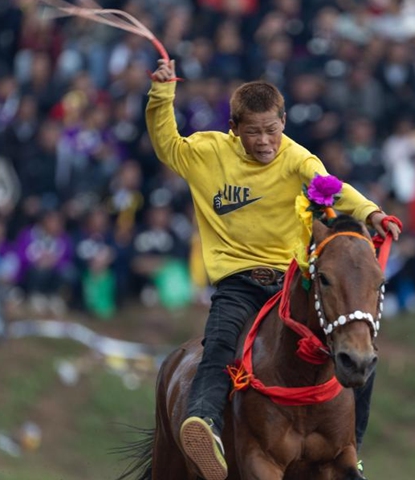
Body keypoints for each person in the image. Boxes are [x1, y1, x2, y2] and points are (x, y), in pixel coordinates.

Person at [147, 59, 400, 480]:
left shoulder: (298, 157)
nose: (265, 141)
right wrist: (161, 94)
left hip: (290, 280)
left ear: (283, 122)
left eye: (272, 129)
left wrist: (373, 214)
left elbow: (332, 188)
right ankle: (204, 425)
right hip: (238, 282)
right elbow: (166, 143)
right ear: (234, 127)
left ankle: (350, 447)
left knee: (357, 346)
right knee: (220, 343)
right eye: (253, 131)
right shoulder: (208, 153)